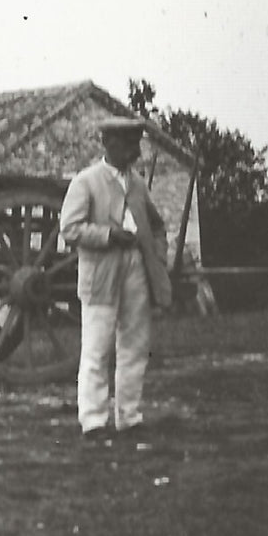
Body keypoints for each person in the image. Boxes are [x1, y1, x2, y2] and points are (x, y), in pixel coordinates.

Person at [59, 116, 174, 444]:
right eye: (128, 144)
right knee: (96, 347)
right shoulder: (86, 182)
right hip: (101, 273)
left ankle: (129, 416)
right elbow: (70, 228)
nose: (135, 152)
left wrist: (157, 258)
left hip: (136, 268)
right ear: (108, 144)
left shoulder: (136, 183)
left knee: (135, 345)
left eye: (136, 144)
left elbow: (157, 227)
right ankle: (93, 422)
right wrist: (109, 235)